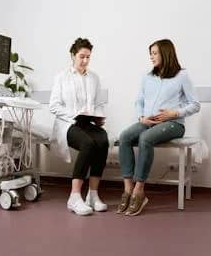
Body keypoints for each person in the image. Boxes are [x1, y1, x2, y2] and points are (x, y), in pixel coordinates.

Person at [117, 39, 200, 216]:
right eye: (151, 54)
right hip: (149, 121)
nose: (151, 57)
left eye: (155, 53)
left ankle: (140, 190)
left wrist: (174, 113)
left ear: (166, 53)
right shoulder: (147, 77)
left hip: (173, 124)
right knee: (124, 137)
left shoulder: (181, 76)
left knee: (145, 139)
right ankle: (128, 189)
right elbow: (139, 101)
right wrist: (141, 117)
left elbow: (195, 105)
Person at [49, 38, 109, 216]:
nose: (85, 61)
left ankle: (93, 194)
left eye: (88, 57)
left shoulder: (94, 78)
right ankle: (74, 197)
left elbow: (98, 104)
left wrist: (98, 117)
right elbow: (54, 106)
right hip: (67, 124)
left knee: (103, 139)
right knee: (88, 144)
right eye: (81, 56)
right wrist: (73, 115)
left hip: (86, 122)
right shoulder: (61, 77)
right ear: (73, 56)